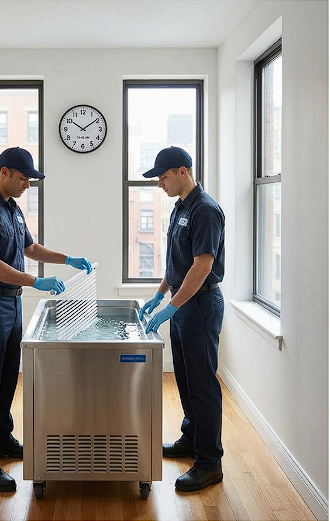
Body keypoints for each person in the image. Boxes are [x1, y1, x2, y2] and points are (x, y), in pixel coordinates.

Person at [0, 146, 93, 492]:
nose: (27, 186)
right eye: (23, 179)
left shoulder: (12, 209)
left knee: (7, 379)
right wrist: (37, 281)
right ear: (4, 172)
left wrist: (68, 259)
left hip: (11, 305)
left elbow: (29, 249)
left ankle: (3, 439)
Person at [138, 146, 225, 492]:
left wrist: (173, 306)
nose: (159, 183)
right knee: (186, 380)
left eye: (162, 177)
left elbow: (203, 265)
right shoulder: (181, 208)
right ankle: (191, 439)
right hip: (182, 301)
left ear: (182, 171)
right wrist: (161, 293)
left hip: (199, 305)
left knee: (202, 384)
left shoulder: (205, 210)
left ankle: (209, 462)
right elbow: (179, 260)